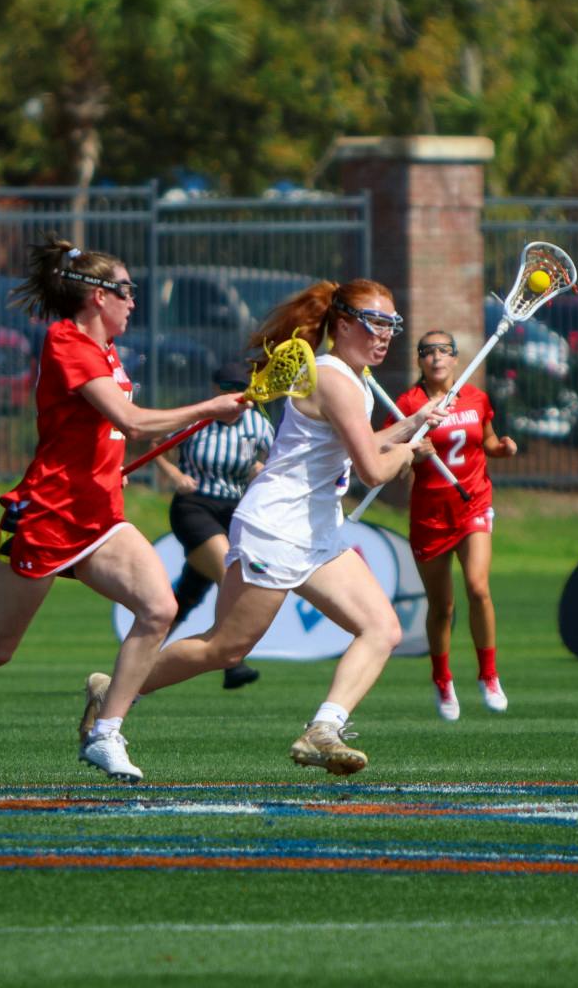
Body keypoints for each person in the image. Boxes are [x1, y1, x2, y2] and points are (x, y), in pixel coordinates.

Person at [0, 238, 247, 786]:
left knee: (158, 609)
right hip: (47, 516)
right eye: (126, 291)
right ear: (98, 297)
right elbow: (128, 420)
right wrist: (208, 407)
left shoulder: (106, 351)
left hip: (100, 515)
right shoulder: (66, 342)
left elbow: (106, 431)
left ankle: (106, 732)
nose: (134, 302)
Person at [128, 280, 442, 776]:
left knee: (381, 628)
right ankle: (119, 690)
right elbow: (374, 471)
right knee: (224, 648)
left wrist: (414, 423)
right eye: (374, 323)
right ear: (341, 324)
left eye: (392, 325)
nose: (385, 335)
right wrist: (410, 450)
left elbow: (356, 444)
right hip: (276, 528)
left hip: (316, 533)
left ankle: (323, 730)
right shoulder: (334, 378)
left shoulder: (352, 382)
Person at [394, 330, 519, 721]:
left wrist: (503, 449)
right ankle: (442, 679)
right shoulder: (408, 404)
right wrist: (414, 452)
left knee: (478, 588)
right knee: (442, 607)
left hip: (473, 504)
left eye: (443, 351)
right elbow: (390, 460)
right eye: (427, 352)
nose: (435, 358)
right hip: (431, 515)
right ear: (419, 361)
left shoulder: (476, 397)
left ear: (454, 358)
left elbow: (488, 441)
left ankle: (489, 675)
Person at [153, 360, 276, 690]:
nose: (236, 398)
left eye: (242, 390)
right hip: (194, 507)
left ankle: (140, 655)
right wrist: (175, 475)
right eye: (229, 390)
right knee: (229, 571)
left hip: (233, 511)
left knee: (189, 595)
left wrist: (259, 470)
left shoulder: (257, 423)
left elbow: (273, 459)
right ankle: (232, 661)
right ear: (215, 390)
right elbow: (153, 441)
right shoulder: (198, 418)